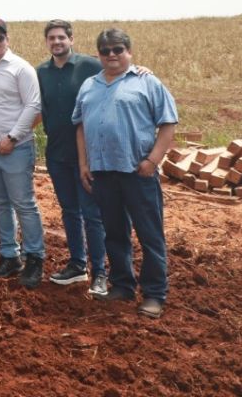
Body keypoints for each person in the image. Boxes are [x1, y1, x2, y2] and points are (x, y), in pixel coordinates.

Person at [74, 28, 178, 319]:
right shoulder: (89, 86)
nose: (111, 55)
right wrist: (84, 164)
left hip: (138, 173)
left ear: (129, 52)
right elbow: (80, 126)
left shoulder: (147, 82)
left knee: (149, 235)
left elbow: (168, 123)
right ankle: (122, 285)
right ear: (98, 54)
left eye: (117, 50)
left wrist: (153, 160)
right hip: (103, 173)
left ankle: (155, 294)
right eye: (105, 50)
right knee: (115, 233)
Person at [0, 17, 46, 288]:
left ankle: (34, 258)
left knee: (24, 204)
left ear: (7, 39)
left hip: (15, 148)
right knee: (0, 204)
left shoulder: (21, 68)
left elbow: (33, 106)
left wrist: (13, 137)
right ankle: (9, 255)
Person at [36, 19, 108, 295]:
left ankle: (100, 272)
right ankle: (78, 265)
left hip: (87, 155)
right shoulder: (40, 71)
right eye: (52, 38)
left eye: (61, 38)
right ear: (47, 42)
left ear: (71, 39)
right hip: (56, 154)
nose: (57, 42)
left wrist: (141, 70)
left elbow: (119, 74)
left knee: (92, 214)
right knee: (69, 211)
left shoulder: (90, 67)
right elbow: (37, 107)